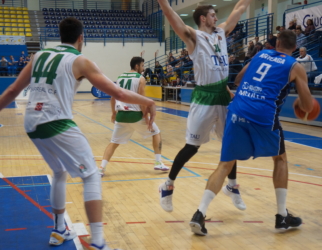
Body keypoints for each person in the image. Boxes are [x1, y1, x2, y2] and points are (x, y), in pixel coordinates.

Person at [0, 17, 156, 250]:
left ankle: (59, 229)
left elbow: (12, 89)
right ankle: (98, 243)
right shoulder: (80, 61)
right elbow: (117, 93)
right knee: (90, 175)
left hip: (31, 123)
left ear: (60, 35)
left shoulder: (38, 56)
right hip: (56, 121)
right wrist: (148, 101)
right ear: (81, 38)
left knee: (59, 171)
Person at [189, 30, 314, 236]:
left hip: (237, 110)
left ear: (277, 43)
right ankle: (282, 215)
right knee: (280, 159)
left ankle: (199, 214)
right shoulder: (295, 66)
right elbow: (308, 107)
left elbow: (238, 80)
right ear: (294, 47)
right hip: (263, 115)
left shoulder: (259, 55)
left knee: (224, 165)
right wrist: (303, 102)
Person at [157, 0, 252, 213]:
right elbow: (173, 18)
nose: (216, 18)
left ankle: (232, 185)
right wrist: (163, 2)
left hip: (222, 95)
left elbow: (239, 8)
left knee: (232, 143)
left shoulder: (220, 33)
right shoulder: (194, 37)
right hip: (204, 97)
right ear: (202, 18)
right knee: (192, 146)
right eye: (212, 15)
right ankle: (167, 185)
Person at [99, 57, 169, 177]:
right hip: (135, 115)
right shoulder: (140, 79)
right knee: (156, 133)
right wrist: (145, 116)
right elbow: (142, 98)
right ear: (136, 66)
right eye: (142, 66)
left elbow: (113, 97)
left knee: (113, 143)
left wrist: (114, 113)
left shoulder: (120, 77)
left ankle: (101, 168)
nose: (143, 68)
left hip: (121, 115)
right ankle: (158, 162)